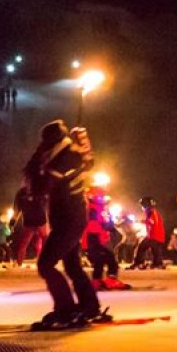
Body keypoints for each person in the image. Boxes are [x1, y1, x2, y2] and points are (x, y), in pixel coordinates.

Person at [22, 120, 106, 329]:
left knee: (45, 264)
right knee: (72, 264)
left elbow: (43, 187)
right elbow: (88, 161)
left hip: (70, 218)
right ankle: (89, 306)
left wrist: (35, 178)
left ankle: (66, 310)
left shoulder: (65, 157)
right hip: (65, 217)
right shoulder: (64, 153)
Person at [85, 187, 129, 290]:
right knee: (106, 259)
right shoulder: (92, 209)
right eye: (100, 197)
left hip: (97, 239)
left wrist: (110, 225)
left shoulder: (99, 208)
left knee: (102, 260)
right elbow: (93, 225)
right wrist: (106, 226)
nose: (102, 199)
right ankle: (108, 280)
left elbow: (105, 221)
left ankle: (97, 281)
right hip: (93, 239)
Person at [11, 179, 49, 265]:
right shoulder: (39, 190)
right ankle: (45, 260)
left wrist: (12, 223)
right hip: (39, 219)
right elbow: (46, 202)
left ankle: (19, 262)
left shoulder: (20, 193)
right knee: (44, 238)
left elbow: (16, 210)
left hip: (30, 220)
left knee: (25, 241)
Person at [131, 197, 167, 269]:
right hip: (156, 235)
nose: (142, 207)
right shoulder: (152, 211)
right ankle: (157, 263)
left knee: (142, 247)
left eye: (142, 205)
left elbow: (153, 222)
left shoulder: (151, 211)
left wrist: (142, 221)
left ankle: (139, 263)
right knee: (155, 250)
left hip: (154, 236)